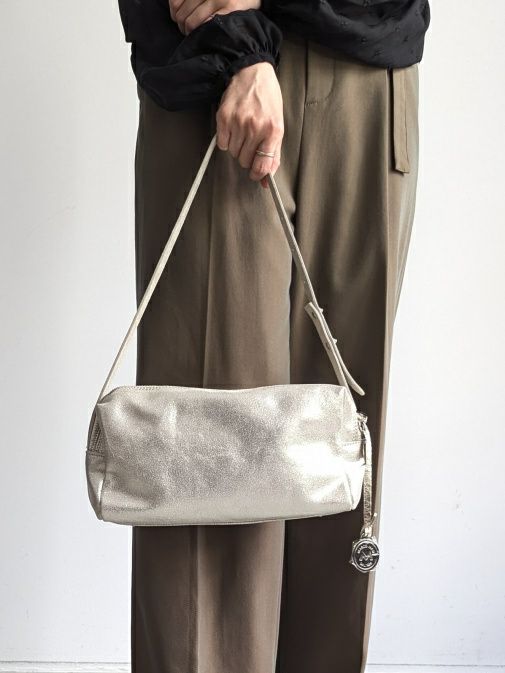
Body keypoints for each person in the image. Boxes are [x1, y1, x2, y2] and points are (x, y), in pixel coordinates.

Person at [117, 1, 430, 671]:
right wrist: (234, 43)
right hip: (217, 68)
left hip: (373, 69)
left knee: (334, 465)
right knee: (209, 461)